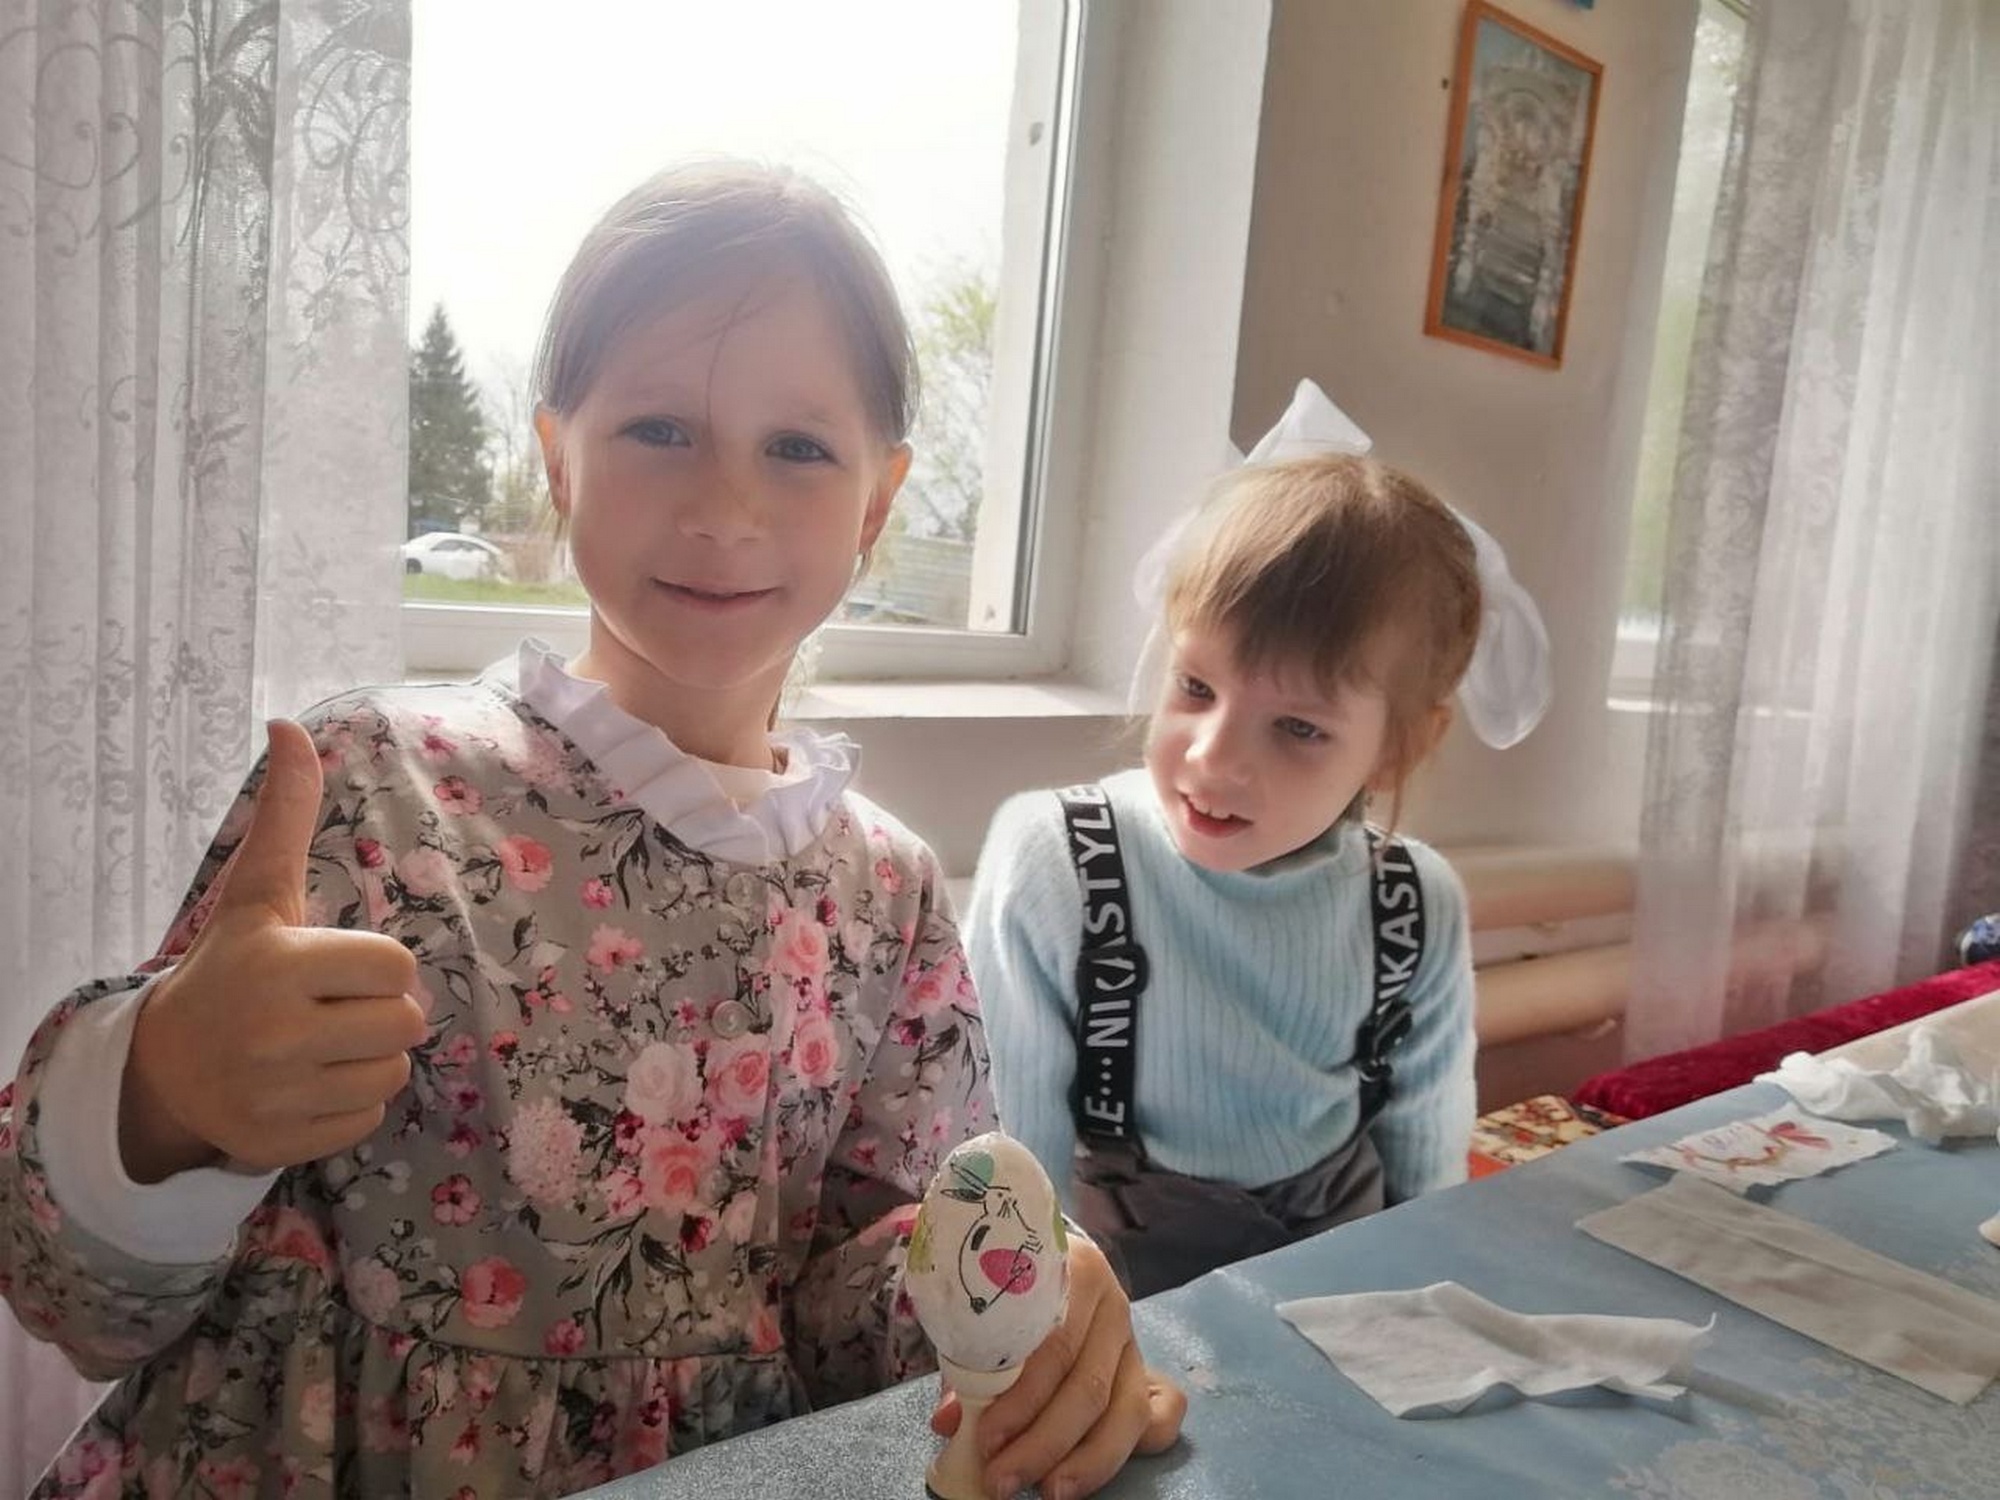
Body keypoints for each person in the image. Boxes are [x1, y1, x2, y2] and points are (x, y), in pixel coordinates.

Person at [1, 162, 1181, 1499]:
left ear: (876, 503)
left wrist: (1013, 1293)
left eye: (797, 448)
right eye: (660, 430)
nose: (725, 510)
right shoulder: (372, 789)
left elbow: (856, 1308)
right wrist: (162, 1093)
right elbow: (77, 1300)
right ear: (557, 460)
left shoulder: (891, 893)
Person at [966, 381, 1548, 1298]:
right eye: (1196, 688)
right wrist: (1035, 1338)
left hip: (1340, 1277)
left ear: (1397, 748)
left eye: (1299, 728)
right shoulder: (1058, 864)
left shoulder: (1415, 904)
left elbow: (1425, 1171)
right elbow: (1013, 1171)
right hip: (1114, 1291)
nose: (1214, 757)